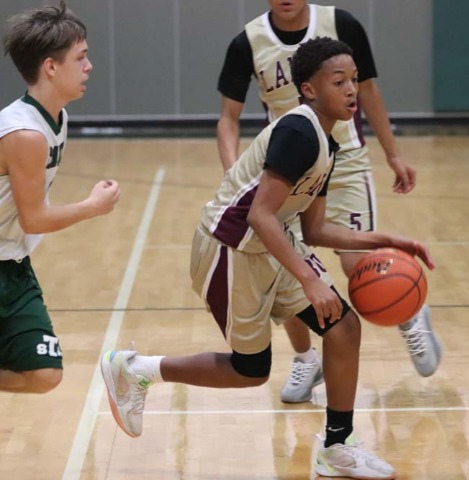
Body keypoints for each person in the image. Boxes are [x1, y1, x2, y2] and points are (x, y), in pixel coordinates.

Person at [101, 37, 434, 480]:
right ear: (309, 89)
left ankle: (337, 447)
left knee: (342, 327)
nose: (352, 89)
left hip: (271, 243)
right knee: (250, 371)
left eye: (354, 80)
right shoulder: (298, 132)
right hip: (229, 249)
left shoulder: (327, 143)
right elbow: (259, 215)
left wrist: (386, 241)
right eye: (339, 81)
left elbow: (315, 230)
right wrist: (310, 280)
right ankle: (136, 369)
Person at [217, 0, 441, 404]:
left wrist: (393, 155)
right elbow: (228, 118)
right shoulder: (247, 42)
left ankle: (405, 308)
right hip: (289, 164)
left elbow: (368, 90)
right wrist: (235, 174)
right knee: (284, 264)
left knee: (356, 265)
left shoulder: (340, 23)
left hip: (346, 158)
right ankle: (306, 359)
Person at [0, 1, 121, 394]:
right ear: (51, 67)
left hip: (13, 263)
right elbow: (34, 218)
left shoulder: (57, 117)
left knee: (43, 374)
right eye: (80, 58)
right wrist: (92, 207)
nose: (89, 67)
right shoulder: (25, 134)